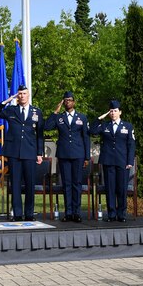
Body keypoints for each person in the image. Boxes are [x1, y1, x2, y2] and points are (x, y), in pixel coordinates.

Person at [0, 85, 45, 221]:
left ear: (28, 95)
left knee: (30, 184)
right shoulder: (11, 110)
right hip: (14, 153)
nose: (22, 96)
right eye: (19, 94)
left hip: (30, 153)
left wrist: (39, 153)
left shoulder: (36, 112)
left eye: (24, 93)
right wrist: (7, 100)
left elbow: (40, 135)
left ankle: (29, 214)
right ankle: (18, 214)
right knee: (15, 184)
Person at [44, 91, 90, 222]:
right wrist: (55, 112)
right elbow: (47, 127)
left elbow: (86, 138)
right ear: (63, 102)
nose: (68, 102)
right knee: (67, 184)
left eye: (70, 100)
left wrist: (87, 157)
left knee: (77, 183)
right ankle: (68, 212)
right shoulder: (59, 118)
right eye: (65, 100)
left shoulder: (82, 117)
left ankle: (77, 212)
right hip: (64, 154)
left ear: (74, 102)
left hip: (78, 154)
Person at [89, 99, 136, 222]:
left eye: (115, 111)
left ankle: (121, 214)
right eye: (111, 111)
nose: (113, 113)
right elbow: (92, 131)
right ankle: (111, 214)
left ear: (120, 112)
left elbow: (131, 144)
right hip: (108, 161)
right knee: (110, 189)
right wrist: (100, 118)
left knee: (121, 189)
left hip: (122, 162)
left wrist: (130, 161)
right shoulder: (105, 126)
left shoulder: (127, 126)